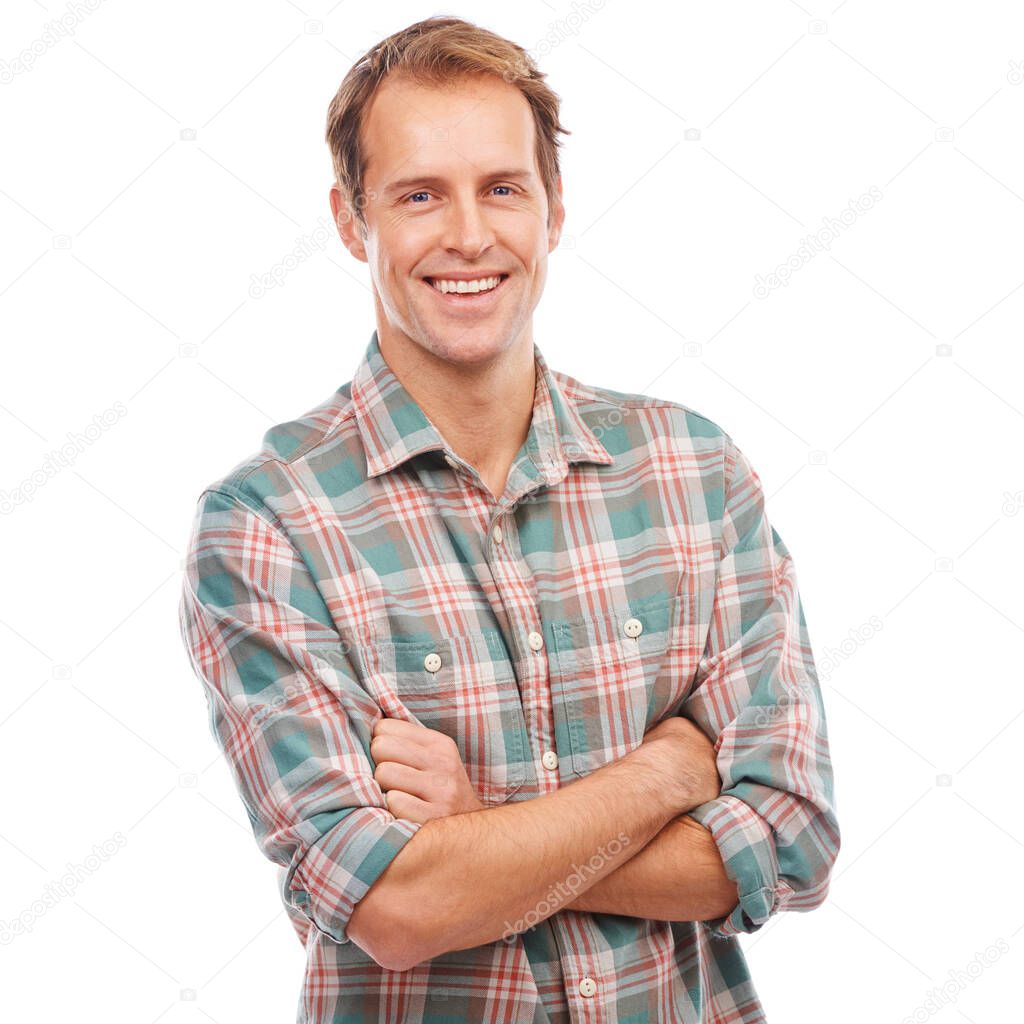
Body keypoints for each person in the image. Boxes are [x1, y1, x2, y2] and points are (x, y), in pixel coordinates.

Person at [178, 15, 840, 1022]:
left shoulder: (693, 475)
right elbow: (397, 904)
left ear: (554, 208)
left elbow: (787, 838)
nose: (469, 236)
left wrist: (482, 828)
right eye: (418, 196)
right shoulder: (267, 527)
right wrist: (667, 769)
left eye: (501, 188)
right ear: (352, 221)